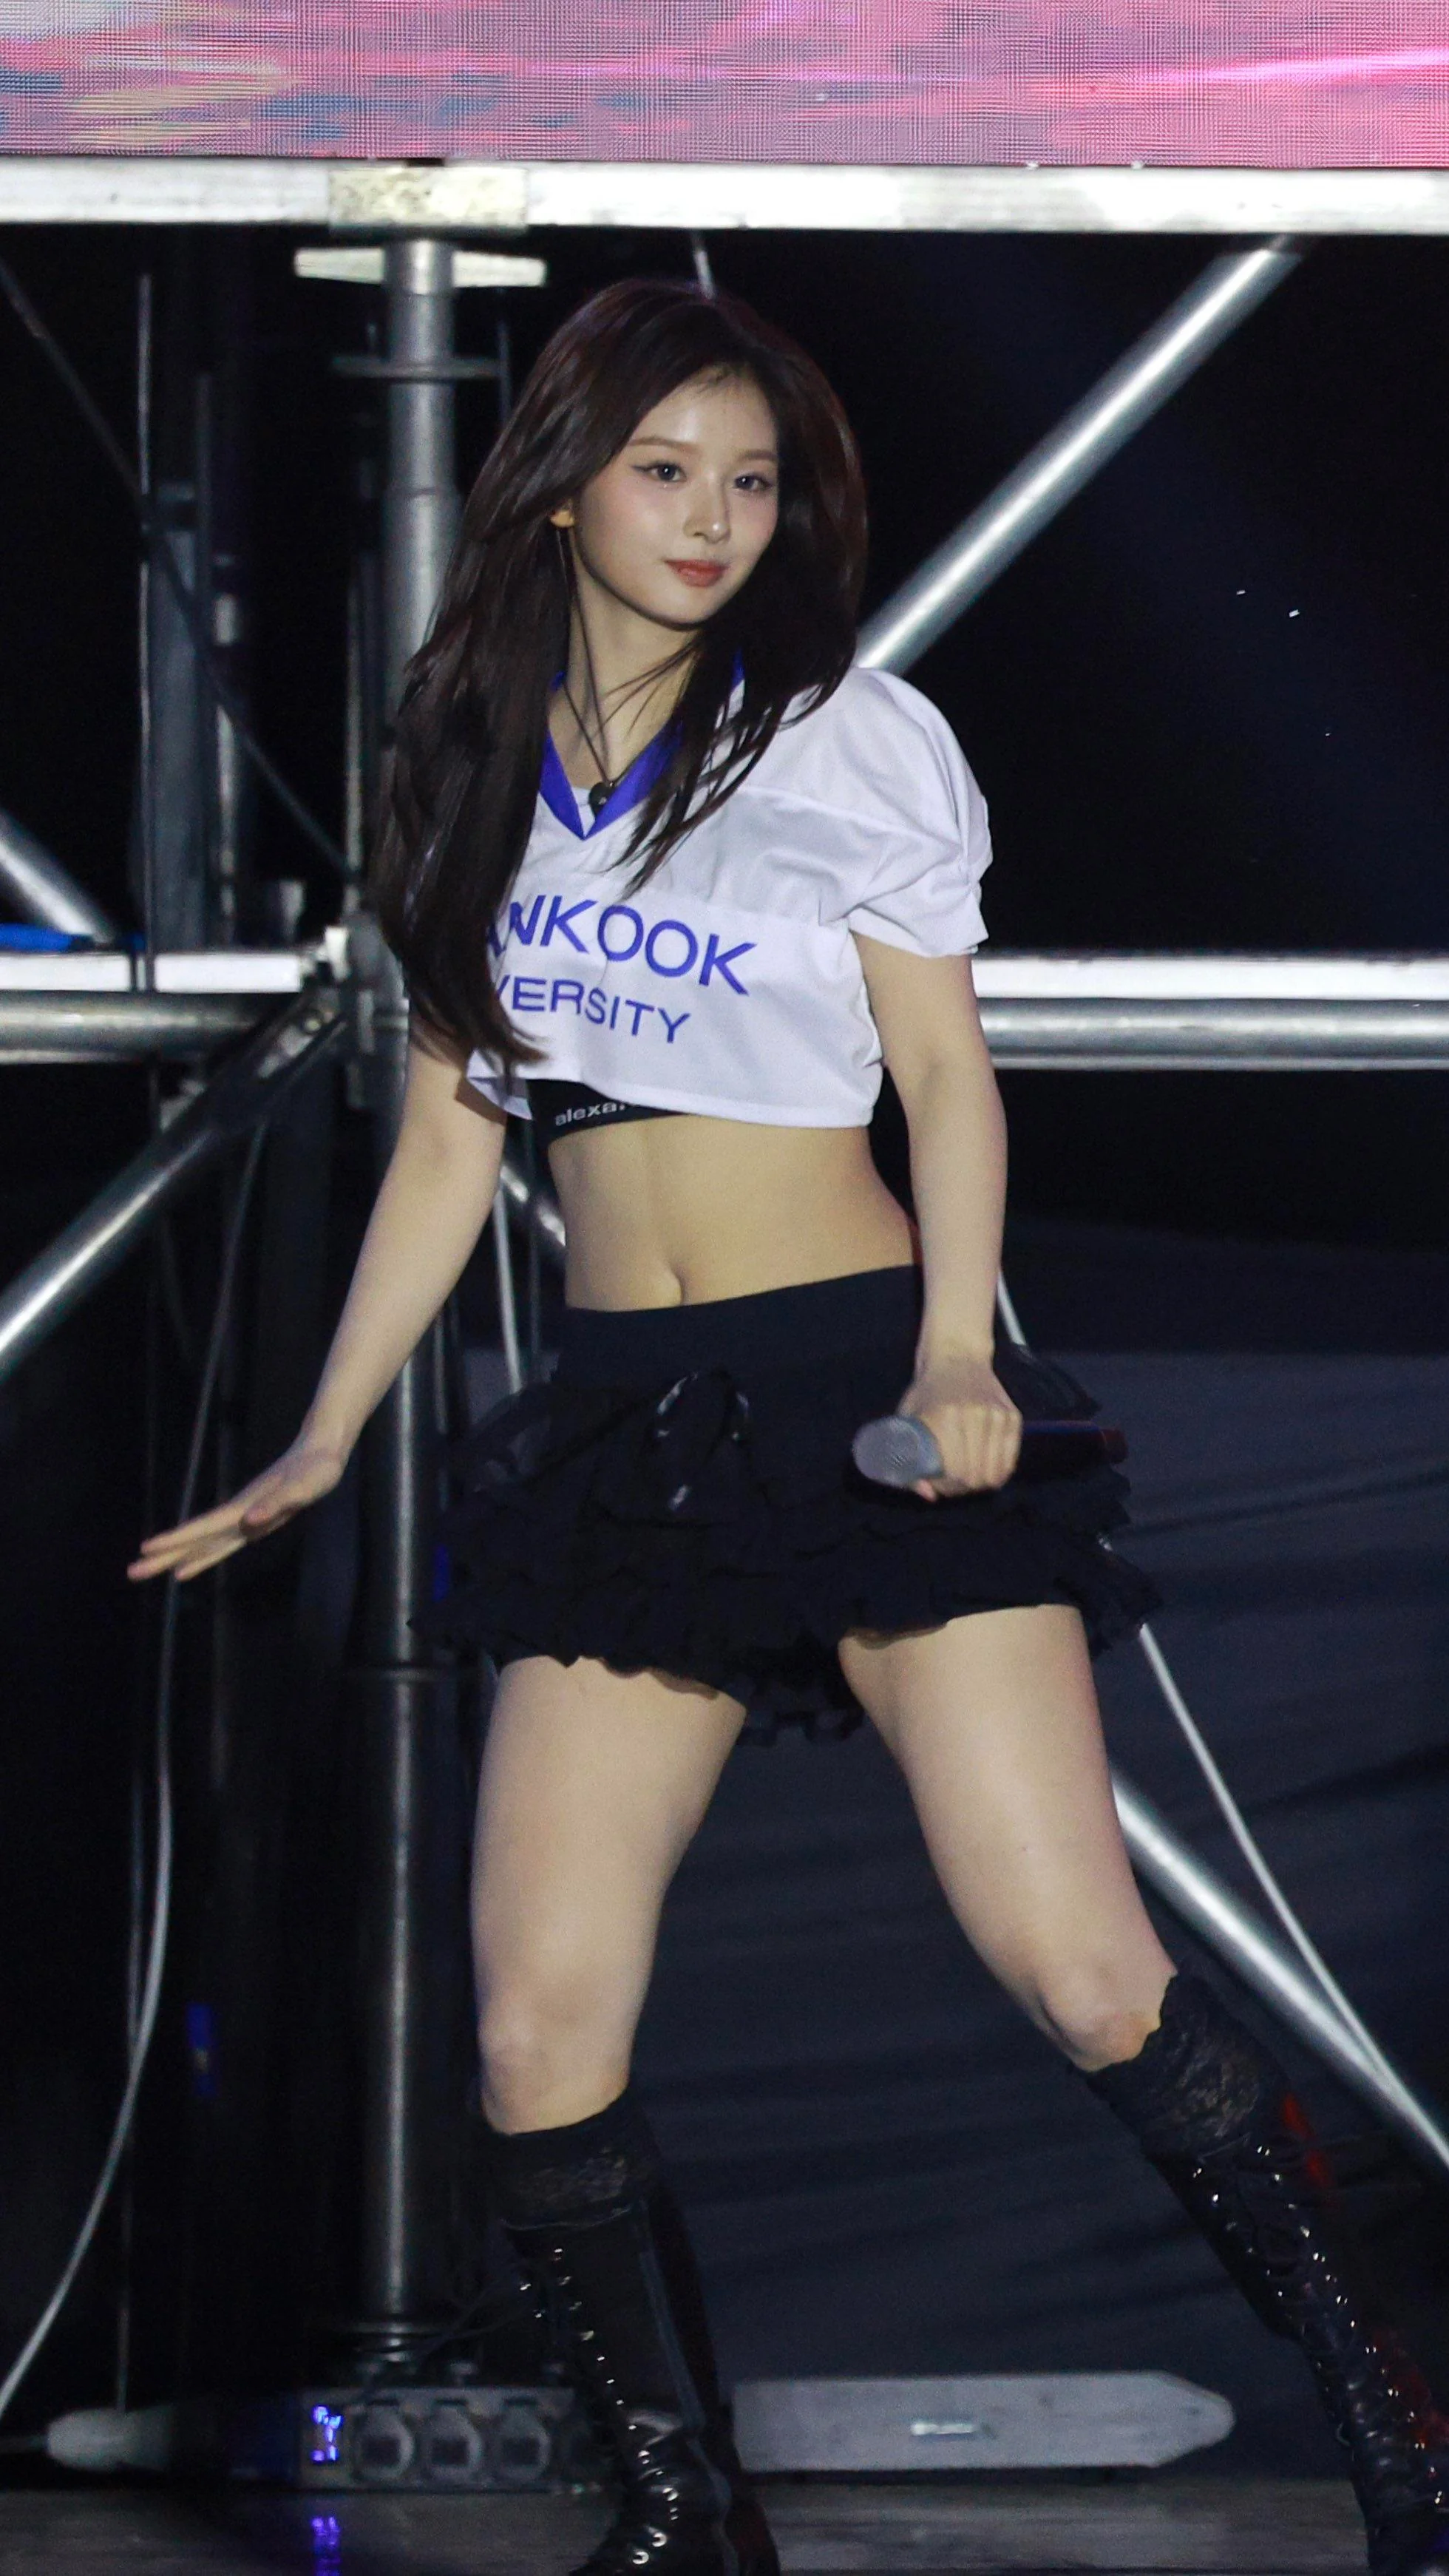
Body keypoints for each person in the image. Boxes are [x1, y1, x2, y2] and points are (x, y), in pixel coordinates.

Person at [132, 280, 1448, 2576]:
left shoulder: (847, 737)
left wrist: (956, 1358)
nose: (714, 517)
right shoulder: (463, 756)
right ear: (561, 482)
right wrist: (326, 1433)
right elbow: (450, 1144)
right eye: (667, 470)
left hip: (858, 1385)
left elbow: (948, 1076)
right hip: (623, 1427)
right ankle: (684, 2516)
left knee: (1084, 1969)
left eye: (751, 480)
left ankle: (1400, 2432)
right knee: (534, 2033)